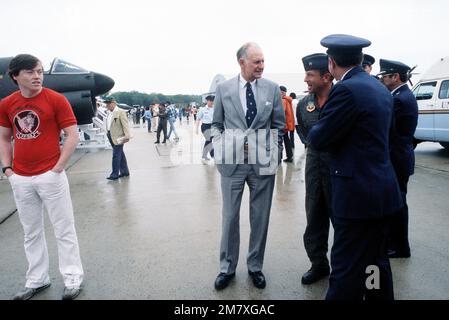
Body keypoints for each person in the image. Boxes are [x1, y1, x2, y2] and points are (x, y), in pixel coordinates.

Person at [308, 34, 403, 300]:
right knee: (375, 265)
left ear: (331, 62)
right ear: (360, 59)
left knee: (345, 270)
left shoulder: (346, 90)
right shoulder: (379, 88)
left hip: (357, 197)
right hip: (382, 194)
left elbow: (319, 138)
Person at [0, 54, 84, 300]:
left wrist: (57, 168)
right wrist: (7, 169)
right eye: (30, 72)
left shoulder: (56, 100)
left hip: (51, 175)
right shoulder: (6, 104)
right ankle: (37, 280)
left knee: (64, 229)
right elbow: (4, 137)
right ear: (15, 76)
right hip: (21, 178)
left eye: (39, 71)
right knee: (31, 232)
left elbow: (72, 135)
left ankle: (72, 278)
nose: (37, 76)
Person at [211, 42, 285, 290]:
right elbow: (216, 124)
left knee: (260, 218)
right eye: (256, 62)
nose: (261, 66)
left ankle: (255, 266)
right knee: (230, 218)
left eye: (263, 61)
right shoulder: (224, 89)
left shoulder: (272, 89)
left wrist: (274, 157)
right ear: (241, 62)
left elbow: (278, 126)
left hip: (262, 163)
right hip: (231, 163)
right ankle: (227, 268)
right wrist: (219, 151)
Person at [297, 53, 334, 285]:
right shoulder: (304, 103)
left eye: (310, 75)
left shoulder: (342, 98)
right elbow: (302, 130)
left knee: (341, 218)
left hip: (337, 167)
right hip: (313, 165)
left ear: (326, 76)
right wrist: (311, 144)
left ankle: (343, 267)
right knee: (314, 216)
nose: (305, 79)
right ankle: (318, 263)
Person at [378, 59, 418, 258]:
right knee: (397, 200)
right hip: (399, 155)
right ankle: (396, 243)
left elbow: (389, 130)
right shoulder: (401, 95)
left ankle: (400, 247)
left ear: (395, 77)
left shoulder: (400, 99)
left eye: (385, 76)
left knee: (398, 203)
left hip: (397, 158)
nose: (382, 79)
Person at [105, 97, 131, 180]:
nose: (107, 106)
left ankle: (114, 174)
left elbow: (125, 124)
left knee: (116, 155)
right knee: (120, 154)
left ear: (113, 103)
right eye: (106, 104)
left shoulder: (120, 112)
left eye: (108, 104)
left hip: (118, 137)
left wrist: (127, 136)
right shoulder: (110, 113)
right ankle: (125, 172)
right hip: (110, 135)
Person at [196, 95, 215, 162]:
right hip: (205, 126)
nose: (211, 102)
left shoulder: (214, 109)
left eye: (212, 101)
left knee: (208, 141)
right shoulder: (202, 109)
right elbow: (198, 119)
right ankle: (213, 155)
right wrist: (196, 129)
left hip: (212, 126)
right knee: (209, 140)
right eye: (210, 101)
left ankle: (204, 155)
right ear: (207, 101)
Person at [280, 85, 295, 162]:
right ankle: (290, 156)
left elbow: (281, 113)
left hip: (282, 125)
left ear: (282, 92)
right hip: (286, 124)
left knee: (279, 142)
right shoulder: (288, 100)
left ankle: (279, 157)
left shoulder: (283, 100)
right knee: (286, 140)